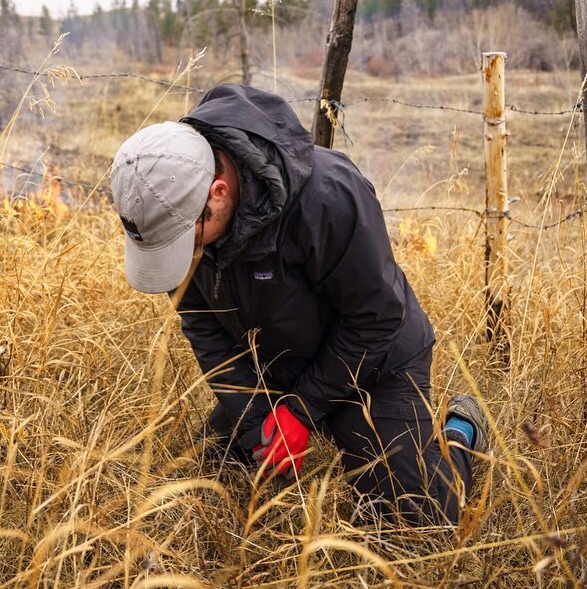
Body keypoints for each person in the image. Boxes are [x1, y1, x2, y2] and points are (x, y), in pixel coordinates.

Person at [109, 84, 487, 526]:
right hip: (274, 361)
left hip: (372, 363)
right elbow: (205, 330)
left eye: (183, 240)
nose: (182, 253)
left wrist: (301, 411)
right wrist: (259, 425)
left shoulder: (328, 197)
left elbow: (377, 318)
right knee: (211, 473)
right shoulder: (176, 211)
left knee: (419, 518)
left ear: (216, 193)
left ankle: (463, 429)